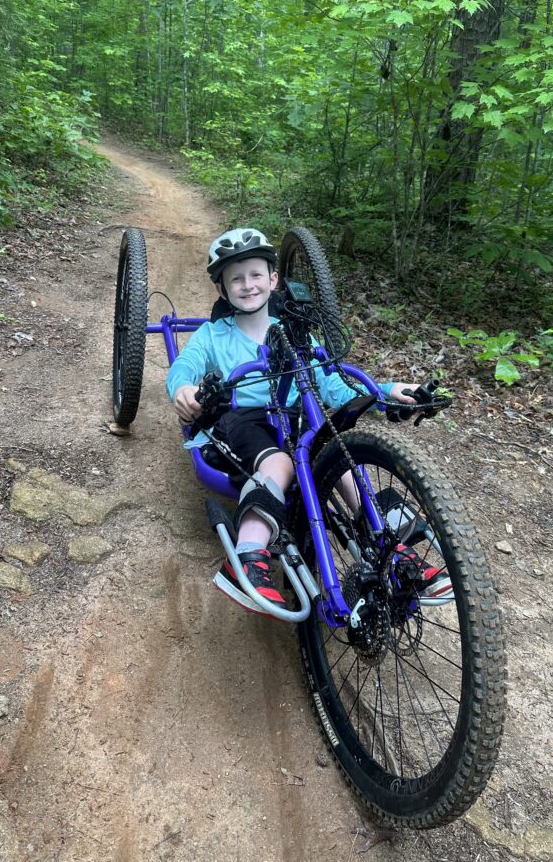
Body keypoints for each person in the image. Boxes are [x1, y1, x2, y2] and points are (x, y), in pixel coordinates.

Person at [166, 227, 420, 615]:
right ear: (222, 290)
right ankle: (248, 555)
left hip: (293, 420)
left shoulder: (297, 333)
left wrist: (384, 392)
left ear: (273, 280)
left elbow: (336, 388)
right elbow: (184, 367)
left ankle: (387, 542)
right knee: (280, 463)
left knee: (338, 457)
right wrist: (183, 388)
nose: (247, 285)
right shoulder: (213, 336)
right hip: (241, 420)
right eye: (236, 278)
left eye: (255, 275)